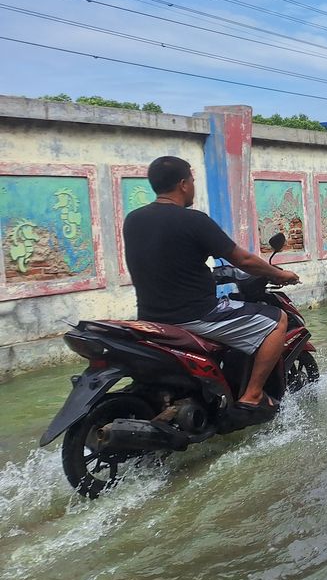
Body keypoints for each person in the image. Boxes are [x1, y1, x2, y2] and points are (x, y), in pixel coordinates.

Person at [123, 156, 300, 419]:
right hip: (196, 315)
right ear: (183, 184)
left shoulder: (133, 220)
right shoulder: (194, 220)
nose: (193, 186)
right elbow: (244, 260)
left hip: (152, 319)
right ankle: (252, 395)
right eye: (192, 180)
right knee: (277, 321)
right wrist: (279, 273)